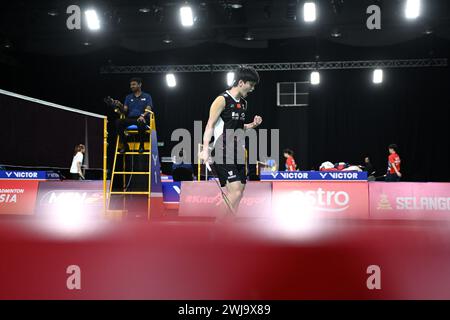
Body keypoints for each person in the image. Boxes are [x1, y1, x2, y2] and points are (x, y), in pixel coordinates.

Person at [199, 66, 262, 216]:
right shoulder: (222, 100)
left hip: (238, 151)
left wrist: (252, 125)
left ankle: (229, 229)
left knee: (239, 192)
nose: (252, 89)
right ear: (241, 82)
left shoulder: (244, 104)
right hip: (222, 150)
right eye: (251, 85)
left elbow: (239, 128)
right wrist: (205, 150)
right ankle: (217, 230)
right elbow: (210, 125)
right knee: (234, 192)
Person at [116, 78, 154, 153]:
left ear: (139, 85)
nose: (131, 86)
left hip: (142, 118)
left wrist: (143, 115)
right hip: (130, 118)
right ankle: (125, 145)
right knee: (118, 122)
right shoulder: (128, 97)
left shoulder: (147, 96)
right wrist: (120, 105)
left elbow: (149, 108)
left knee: (141, 122)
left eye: (134, 84)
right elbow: (125, 110)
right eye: (131, 85)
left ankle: (141, 146)